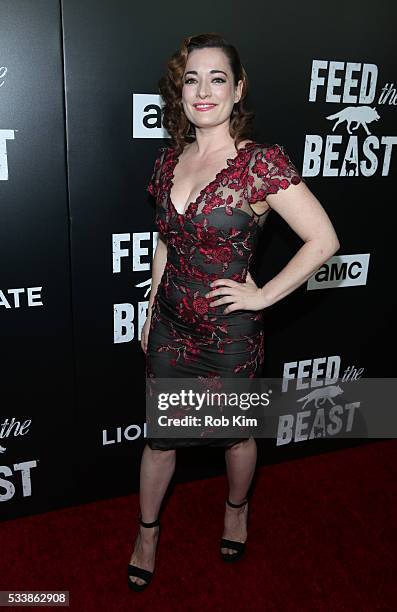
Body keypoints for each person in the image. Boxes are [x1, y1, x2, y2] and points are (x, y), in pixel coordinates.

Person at [128, 33, 340, 590]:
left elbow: (324, 240)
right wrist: (152, 304)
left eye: (216, 78)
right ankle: (147, 531)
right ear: (180, 90)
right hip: (172, 324)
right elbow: (166, 242)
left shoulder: (259, 165)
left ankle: (236, 509)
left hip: (228, 333)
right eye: (191, 78)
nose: (203, 90)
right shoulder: (170, 160)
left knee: (235, 435)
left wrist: (263, 295)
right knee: (160, 438)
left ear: (237, 89)